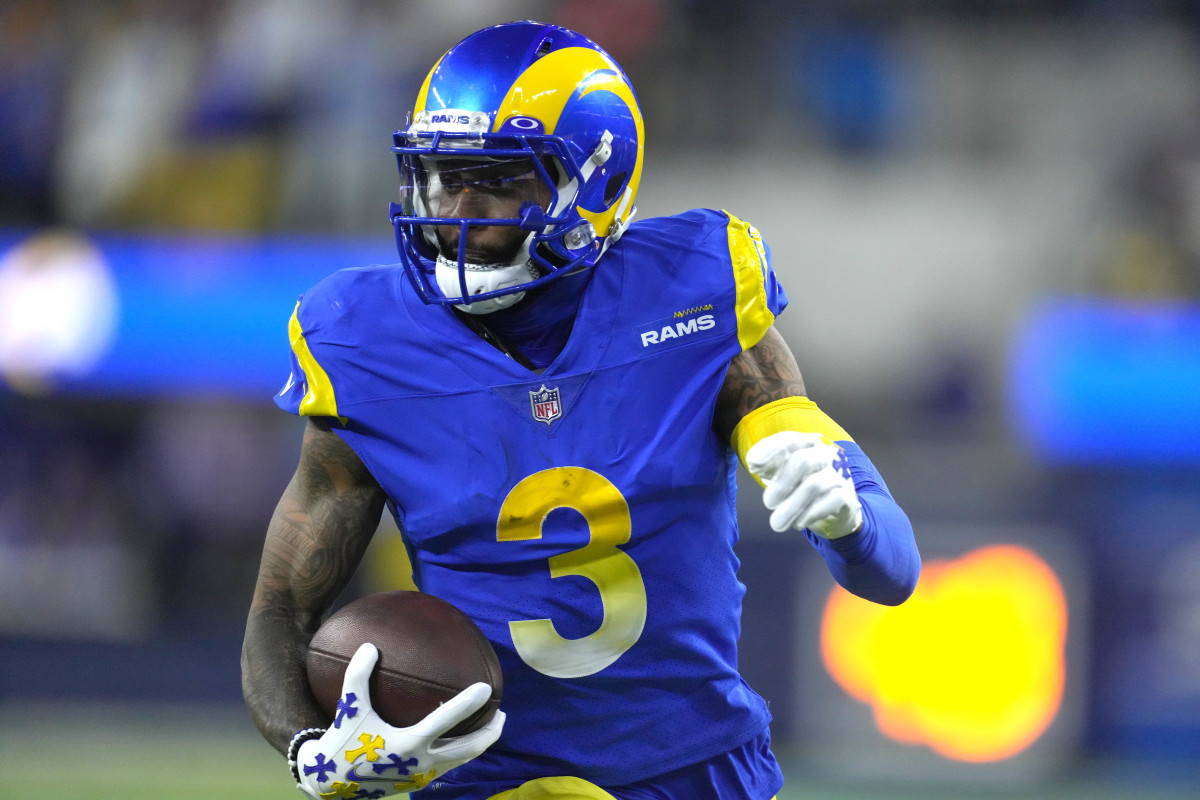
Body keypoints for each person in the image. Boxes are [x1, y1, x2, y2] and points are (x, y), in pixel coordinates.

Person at [242, 19, 921, 800]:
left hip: (690, 772)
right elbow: (277, 617)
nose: (457, 211)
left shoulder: (695, 297)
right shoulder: (365, 342)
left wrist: (847, 522)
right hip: (480, 780)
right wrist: (312, 751)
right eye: (439, 175)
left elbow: (892, 574)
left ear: (594, 186)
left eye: (497, 180)